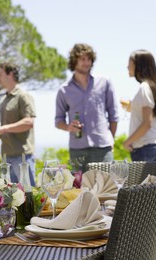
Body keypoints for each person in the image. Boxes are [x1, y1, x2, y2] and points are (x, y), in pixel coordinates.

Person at [55, 43, 119, 171]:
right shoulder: (64, 90)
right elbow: (58, 121)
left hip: (103, 148)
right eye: (83, 59)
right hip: (77, 150)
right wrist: (68, 127)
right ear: (74, 61)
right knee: (80, 188)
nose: (87, 62)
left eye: (89, 59)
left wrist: (111, 139)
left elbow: (114, 115)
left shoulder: (104, 82)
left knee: (108, 187)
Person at [0, 62, 36, 185]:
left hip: (22, 157)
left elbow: (28, 122)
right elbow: (9, 129)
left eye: (0, 75)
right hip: (6, 158)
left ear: (11, 75)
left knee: (29, 197)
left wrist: (2, 129)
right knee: (11, 199)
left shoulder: (23, 96)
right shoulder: (3, 100)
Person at [121, 50, 156, 161]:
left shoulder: (144, 88)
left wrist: (127, 142)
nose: (127, 67)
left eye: (130, 63)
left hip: (145, 149)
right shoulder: (155, 88)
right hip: (154, 147)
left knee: (142, 179)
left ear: (138, 65)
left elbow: (147, 123)